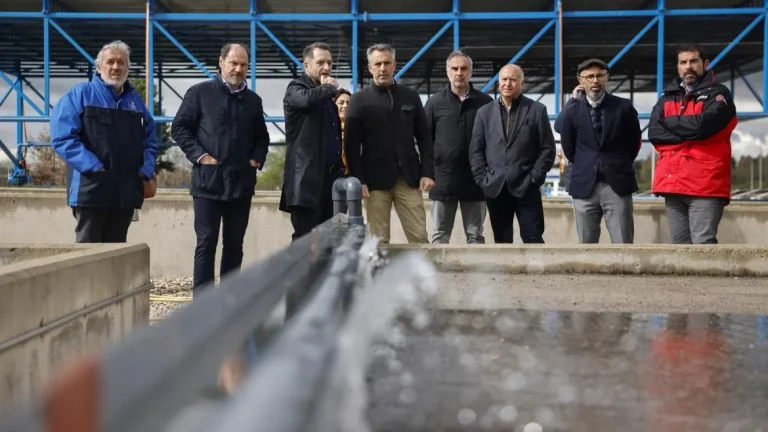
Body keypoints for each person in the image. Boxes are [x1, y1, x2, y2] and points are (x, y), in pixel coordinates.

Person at [171, 43, 271, 293]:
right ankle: (203, 304)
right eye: (233, 63)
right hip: (208, 183)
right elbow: (180, 128)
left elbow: (262, 138)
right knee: (206, 243)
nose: (238, 69)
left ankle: (229, 300)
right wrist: (201, 156)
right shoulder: (200, 93)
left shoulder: (253, 101)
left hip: (241, 183)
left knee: (235, 244)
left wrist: (255, 160)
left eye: (243, 65)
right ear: (221, 62)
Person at [50, 40, 158, 243]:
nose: (116, 67)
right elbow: (62, 137)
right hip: (92, 187)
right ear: (99, 67)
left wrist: (145, 170)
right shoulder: (80, 95)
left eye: (121, 62)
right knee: (88, 251)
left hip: (126, 189)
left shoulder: (136, 103)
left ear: (127, 67)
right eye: (110, 62)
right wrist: (94, 167)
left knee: (116, 252)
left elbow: (150, 142)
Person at [344, 43, 434, 244]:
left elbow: (424, 137)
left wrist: (427, 171)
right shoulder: (359, 100)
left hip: (409, 178)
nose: (382, 68)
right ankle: (379, 275)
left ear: (395, 65)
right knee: (378, 240)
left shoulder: (410, 96)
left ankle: (421, 276)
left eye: (387, 63)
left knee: (419, 237)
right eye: (377, 64)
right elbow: (351, 145)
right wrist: (359, 179)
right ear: (370, 68)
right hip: (374, 181)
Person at [648, 44, 737, 244]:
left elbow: (703, 127)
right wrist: (691, 135)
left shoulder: (719, 94)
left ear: (705, 64)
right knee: (680, 248)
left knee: (703, 244)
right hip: (672, 184)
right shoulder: (666, 98)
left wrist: (670, 123)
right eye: (683, 62)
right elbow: (654, 133)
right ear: (678, 67)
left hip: (705, 184)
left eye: (693, 61)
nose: (688, 66)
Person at [556, 58, 642, 243]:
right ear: (581, 81)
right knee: (586, 245)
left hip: (617, 184)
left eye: (600, 75)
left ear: (606, 78)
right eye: (590, 76)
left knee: (623, 243)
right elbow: (561, 131)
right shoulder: (573, 109)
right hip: (584, 184)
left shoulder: (623, 107)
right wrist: (572, 100)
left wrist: (618, 163)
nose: (595, 80)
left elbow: (634, 143)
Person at [469, 64, 555, 244]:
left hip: (526, 187)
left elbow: (547, 149)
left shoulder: (537, 110)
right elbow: (476, 150)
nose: (508, 83)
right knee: (501, 241)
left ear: (521, 83)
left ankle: (536, 272)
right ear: (498, 82)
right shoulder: (484, 113)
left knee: (533, 238)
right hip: (495, 188)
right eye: (504, 79)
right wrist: (483, 179)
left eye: (513, 79)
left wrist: (534, 178)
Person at [279, 42, 346, 241]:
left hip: (330, 182)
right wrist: (328, 88)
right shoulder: (296, 88)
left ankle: (323, 274)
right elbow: (305, 100)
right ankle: (298, 274)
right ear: (306, 65)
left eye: (330, 63)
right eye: (321, 62)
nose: (327, 67)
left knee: (329, 241)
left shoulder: (327, 100)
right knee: (304, 240)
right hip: (306, 181)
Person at [424, 50, 492, 244]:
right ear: (448, 72)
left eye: (463, 68)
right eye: (454, 68)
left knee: (476, 237)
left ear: (470, 72)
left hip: (476, 180)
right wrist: (427, 171)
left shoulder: (485, 103)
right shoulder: (434, 103)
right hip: (443, 179)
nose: (459, 73)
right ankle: (437, 275)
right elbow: (424, 140)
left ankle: (477, 275)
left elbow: (494, 140)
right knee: (439, 236)